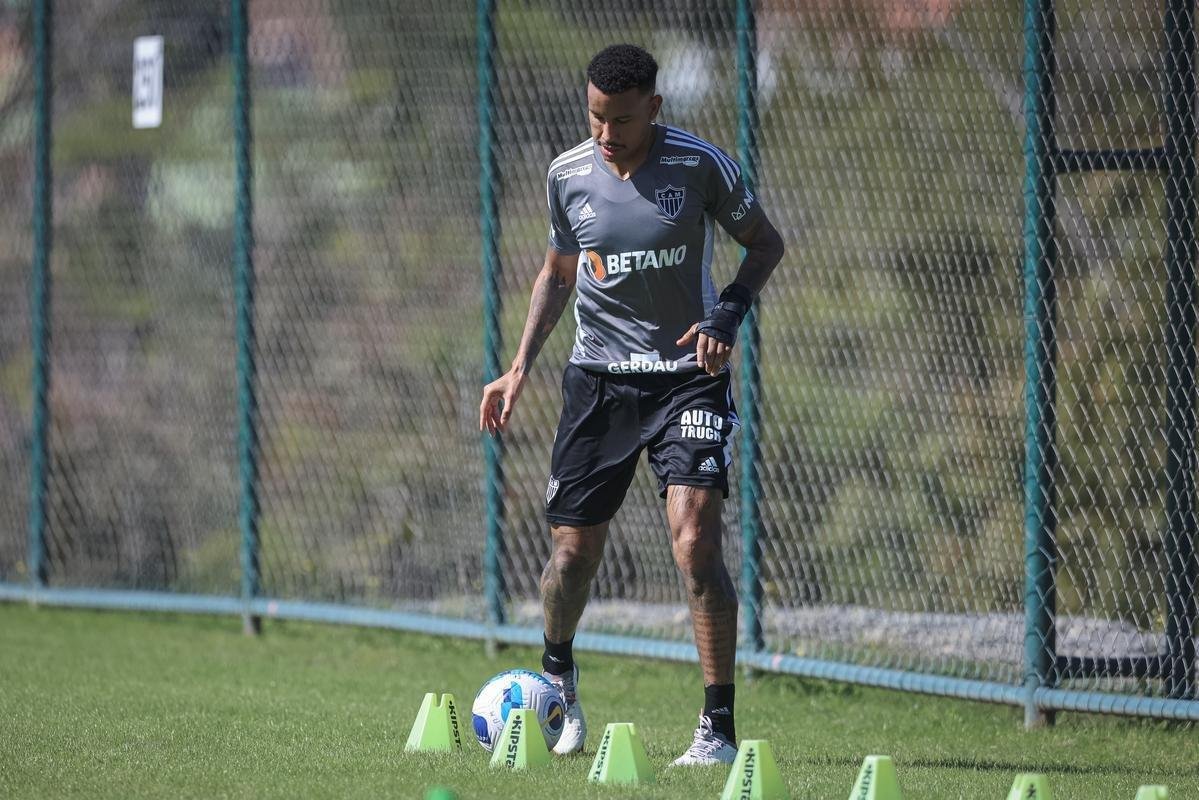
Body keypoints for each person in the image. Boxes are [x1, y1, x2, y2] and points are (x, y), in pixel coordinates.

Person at [479, 43, 784, 766]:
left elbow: (763, 244)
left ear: (653, 106)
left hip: (686, 375)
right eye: (594, 117)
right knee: (571, 558)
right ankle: (557, 676)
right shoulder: (567, 174)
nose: (605, 133)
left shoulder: (698, 166)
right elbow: (557, 271)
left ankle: (717, 729)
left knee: (696, 542)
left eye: (619, 119)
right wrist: (518, 366)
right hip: (598, 383)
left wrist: (726, 316)